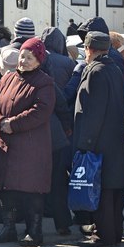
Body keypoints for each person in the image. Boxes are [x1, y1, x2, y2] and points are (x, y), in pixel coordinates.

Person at [0, 36, 56, 247]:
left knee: (31, 190)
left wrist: (12, 124)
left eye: (30, 58)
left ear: (39, 61)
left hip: (31, 147)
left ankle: (34, 232)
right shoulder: (7, 78)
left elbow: (41, 111)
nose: (24, 61)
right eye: (23, 56)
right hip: (5, 144)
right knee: (5, 189)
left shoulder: (44, 82)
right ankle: (8, 229)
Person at [73, 32, 124, 247]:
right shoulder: (114, 69)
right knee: (113, 192)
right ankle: (114, 234)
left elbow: (93, 112)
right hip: (115, 140)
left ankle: (104, 236)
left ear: (89, 49)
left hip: (98, 143)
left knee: (102, 192)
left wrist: (85, 143)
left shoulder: (95, 72)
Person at [40, 26, 78, 236]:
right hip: (61, 124)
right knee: (59, 175)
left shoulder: (40, 62)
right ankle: (62, 219)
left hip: (40, 124)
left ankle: (42, 212)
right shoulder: (68, 63)